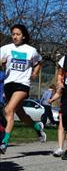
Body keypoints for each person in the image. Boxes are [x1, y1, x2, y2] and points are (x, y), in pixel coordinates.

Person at [0, 24, 46, 154]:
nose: (15, 37)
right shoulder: (5, 49)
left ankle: (4, 142)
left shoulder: (31, 50)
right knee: (21, 114)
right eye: (13, 34)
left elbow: (39, 62)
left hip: (22, 84)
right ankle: (37, 127)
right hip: (9, 84)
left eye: (18, 34)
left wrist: (36, 72)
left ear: (23, 36)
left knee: (8, 110)